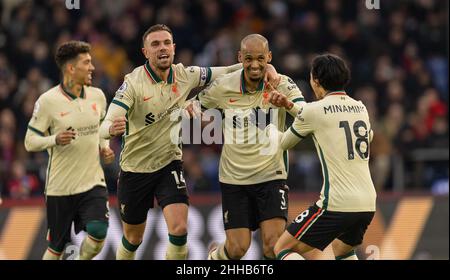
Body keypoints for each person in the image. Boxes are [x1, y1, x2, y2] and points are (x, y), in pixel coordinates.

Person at [98, 24, 278, 260]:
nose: (162, 48)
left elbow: (227, 70)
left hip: (169, 164)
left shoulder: (185, 74)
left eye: (166, 43)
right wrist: (108, 132)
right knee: (133, 239)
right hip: (135, 170)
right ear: (145, 52)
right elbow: (107, 120)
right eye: (155, 44)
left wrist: (268, 66)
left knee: (180, 229)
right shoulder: (133, 84)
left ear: (173, 48)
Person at [197, 34, 305, 260]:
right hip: (234, 179)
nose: (254, 65)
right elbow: (197, 104)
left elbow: (306, 114)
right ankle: (214, 258)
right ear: (239, 57)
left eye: (260, 58)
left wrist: (286, 104)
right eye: (248, 58)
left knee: (273, 246)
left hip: (271, 175)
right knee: (237, 249)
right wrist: (194, 113)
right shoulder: (224, 86)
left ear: (269, 57)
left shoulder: (282, 84)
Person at [269, 53, 376, 260]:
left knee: (283, 248)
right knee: (343, 250)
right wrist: (290, 106)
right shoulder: (360, 107)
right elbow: (358, 132)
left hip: (336, 203)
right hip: (367, 202)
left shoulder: (314, 110)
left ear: (316, 81)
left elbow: (284, 143)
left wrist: (268, 126)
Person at [24, 41, 114, 260]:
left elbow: (101, 129)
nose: (92, 67)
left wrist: (105, 147)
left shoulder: (98, 96)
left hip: (92, 182)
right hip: (60, 188)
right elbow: (29, 141)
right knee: (57, 248)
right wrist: (55, 139)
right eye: (87, 63)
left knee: (99, 232)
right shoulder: (48, 101)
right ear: (71, 69)